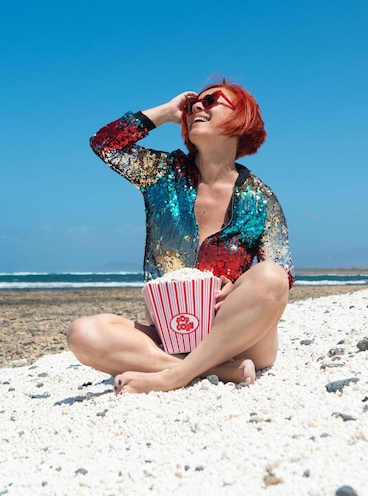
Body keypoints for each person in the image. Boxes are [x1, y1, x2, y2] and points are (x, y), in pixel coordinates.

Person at [67, 78, 295, 394]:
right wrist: (165, 113)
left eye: (212, 100)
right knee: (83, 333)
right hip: (172, 334)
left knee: (269, 276)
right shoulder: (163, 174)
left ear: (240, 118)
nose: (198, 106)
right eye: (192, 105)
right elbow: (105, 144)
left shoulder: (260, 197)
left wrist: (238, 287)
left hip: (241, 339)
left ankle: (172, 376)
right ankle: (211, 370)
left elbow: (282, 275)